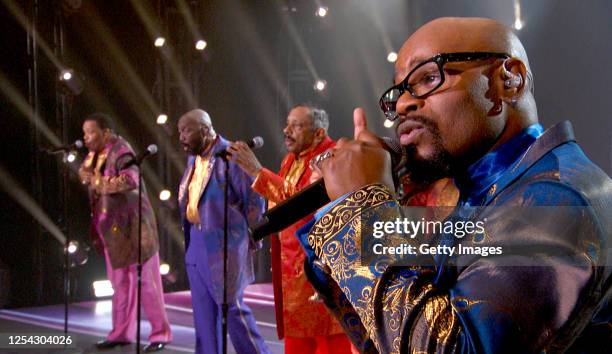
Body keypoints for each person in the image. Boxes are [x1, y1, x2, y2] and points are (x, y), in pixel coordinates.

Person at [296, 17, 612, 353]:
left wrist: (362, 208)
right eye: (399, 91)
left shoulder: (559, 199)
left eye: (429, 77)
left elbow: (445, 345)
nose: (402, 105)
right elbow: (388, 334)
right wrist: (348, 210)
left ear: (509, 80)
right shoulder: (489, 191)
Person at [228, 105, 355, 354]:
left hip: (321, 271)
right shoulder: (291, 159)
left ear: (318, 133)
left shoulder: (330, 156)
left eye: (296, 125)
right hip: (292, 273)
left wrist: (257, 172)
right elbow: (279, 204)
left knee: (329, 344)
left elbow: (302, 205)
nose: (286, 131)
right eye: (287, 124)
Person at [176, 109, 269, 354]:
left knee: (233, 310)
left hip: (225, 244)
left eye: (186, 130)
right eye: (179, 131)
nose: (181, 137)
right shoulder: (194, 158)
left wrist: (244, 240)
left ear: (205, 130)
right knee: (204, 316)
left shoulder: (231, 156)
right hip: (196, 240)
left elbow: (255, 202)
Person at [78, 113, 172, 352]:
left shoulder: (121, 150)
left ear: (106, 132)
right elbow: (84, 172)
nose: (86, 138)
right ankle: (121, 333)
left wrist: (97, 183)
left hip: (136, 227)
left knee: (147, 284)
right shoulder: (94, 154)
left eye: (91, 132)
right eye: (84, 133)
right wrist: (87, 176)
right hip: (113, 230)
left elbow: (130, 179)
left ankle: (160, 333)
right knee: (119, 283)